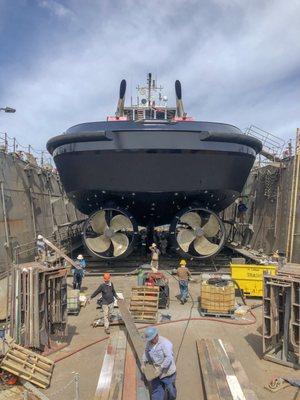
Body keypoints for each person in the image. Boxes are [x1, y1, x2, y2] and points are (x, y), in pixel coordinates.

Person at [142, 327, 176, 400]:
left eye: (152, 339)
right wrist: (143, 362)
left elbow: (169, 357)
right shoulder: (149, 343)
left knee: (171, 391)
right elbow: (146, 352)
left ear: (156, 336)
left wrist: (161, 368)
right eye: (149, 340)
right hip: (156, 371)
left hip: (167, 372)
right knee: (156, 392)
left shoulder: (165, 343)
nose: (150, 341)